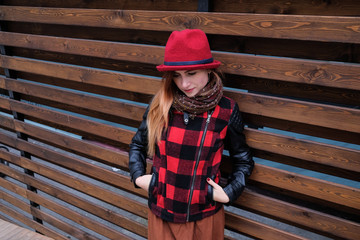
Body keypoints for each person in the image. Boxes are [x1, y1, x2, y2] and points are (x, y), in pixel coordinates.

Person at [129, 29, 254, 240]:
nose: (184, 84)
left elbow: (243, 159)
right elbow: (137, 146)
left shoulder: (226, 110)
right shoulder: (161, 105)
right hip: (161, 212)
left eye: (191, 73)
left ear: (208, 70)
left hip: (203, 216)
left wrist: (229, 192)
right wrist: (139, 177)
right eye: (176, 76)